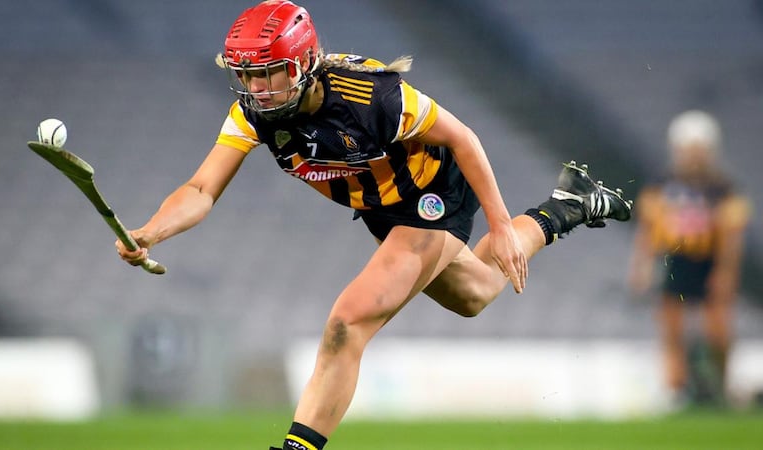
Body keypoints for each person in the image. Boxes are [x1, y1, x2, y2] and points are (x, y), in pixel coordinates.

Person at [116, 1, 632, 448]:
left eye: (266, 73)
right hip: (381, 208)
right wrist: (150, 231)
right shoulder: (255, 114)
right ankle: (570, 204)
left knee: (348, 321)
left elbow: (465, 138)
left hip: (432, 194)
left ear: (301, 64)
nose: (255, 89)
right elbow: (201, 189)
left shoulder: (374, 97)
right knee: (476, 293)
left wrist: (497, 222)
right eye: (246, 75)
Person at [628, 110, 751, 408]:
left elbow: (732, 234)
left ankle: (721, 386)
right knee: (672, 330)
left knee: (719, 331)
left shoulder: (723, 187)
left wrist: (725, 271)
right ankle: (675, 388)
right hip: (676, 259)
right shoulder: (661, 184)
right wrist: (640, 267)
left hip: (709, 259)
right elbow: (647, 230)